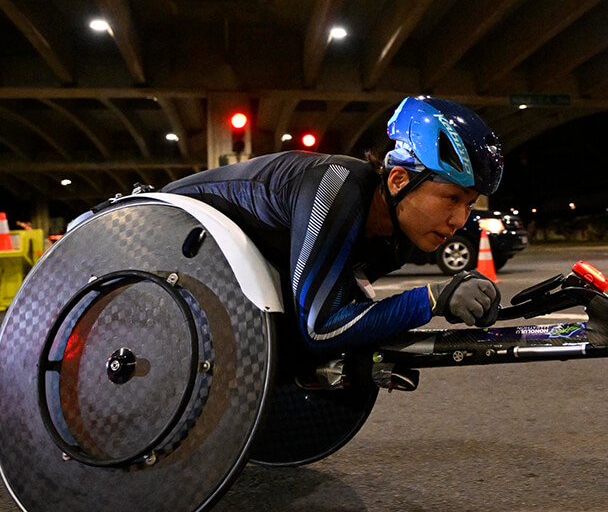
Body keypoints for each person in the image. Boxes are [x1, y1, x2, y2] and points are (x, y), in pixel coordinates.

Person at [160, 96, 504, 391]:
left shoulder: (399, 239)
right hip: (165, 230)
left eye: (469, 203)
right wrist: (434, 298)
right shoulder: (336, 186)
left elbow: (341, 313)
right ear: (399, 180)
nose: (459, 220)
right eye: (451, 198)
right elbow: (322, 328)